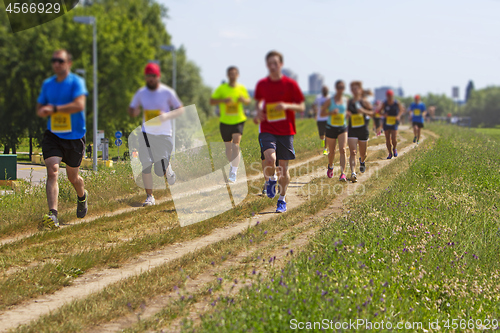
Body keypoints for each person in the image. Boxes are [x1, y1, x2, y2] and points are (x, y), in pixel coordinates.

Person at [36, 49, 89, 229]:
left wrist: (55, 109)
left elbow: (79, 104)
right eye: (54, 61)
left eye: (60, 60)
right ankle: (53, 215)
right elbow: (41, 105)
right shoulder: (48, 84)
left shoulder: (76, 82)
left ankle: (82, 197)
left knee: (73, 178)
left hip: (75, 137)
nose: (57, 64)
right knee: (52, 171)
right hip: (54, 135)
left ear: (69, 63)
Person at [254, 50, 305, 213]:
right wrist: (258, 113)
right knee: (270, 159)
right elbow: (258, 105)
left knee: (284, 169)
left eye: (275, 63)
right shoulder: (262, 84)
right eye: (270, 63)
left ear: (281, 64)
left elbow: (301, 106)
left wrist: (286, 106)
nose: (272, 66)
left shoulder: (290, 85)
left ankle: (282, 200)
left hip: (286, 131)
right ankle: (271, 180)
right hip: (267, 128)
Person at [128, 63, 183, 206]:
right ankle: (150, 197)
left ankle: (168, 169)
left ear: (158, 77)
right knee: (145, 164)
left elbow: (180, 109)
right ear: (145, 77)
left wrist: (165, 115)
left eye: (153, 76)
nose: (150, 79)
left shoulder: (167, 92)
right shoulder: (141, 93)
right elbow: (132, 109)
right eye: (148, 76)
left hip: (163, 135)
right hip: (146, 134)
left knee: (160, 170)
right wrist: (134, 112)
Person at [210, 66, 251, 182]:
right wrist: (223, 101)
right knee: (228, 148)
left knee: (236, 145)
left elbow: (248, 101)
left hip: (238, 120)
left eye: (234, 74)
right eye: (230, 74)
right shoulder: (222, 88)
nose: (232, 76)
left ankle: (234, 171)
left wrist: (243, 100)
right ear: (228, 75)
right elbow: (212, 101)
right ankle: (232, 166)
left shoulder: (241, 88)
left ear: (237, 75)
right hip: (225, 121)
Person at [321, 80, 348, 181]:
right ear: (336, 88)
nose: (340, 89)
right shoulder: (330, 100)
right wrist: (331, 113)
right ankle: (330, 166)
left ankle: (343, 173)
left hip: (342, 127)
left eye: (342, 87)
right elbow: (322, 113)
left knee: (343, 150)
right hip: (331, 127)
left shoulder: (346, 100)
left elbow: (348, 112)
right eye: (339, 87)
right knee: (332, 152)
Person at [346, 81, 373, 183]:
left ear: (360, 90)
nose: (354, 90)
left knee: (363, 153)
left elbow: (372, 113)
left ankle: (362, 161)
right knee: (353, 152)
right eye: (352, 89)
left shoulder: (365, 102)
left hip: (363, 130)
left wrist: (364, 111)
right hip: (352, 129)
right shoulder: (349, 102)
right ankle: (353, 173)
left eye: (356, 88)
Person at [380, 90, 403, 159]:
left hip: (394, 121)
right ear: (386, 96)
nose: (389, 97)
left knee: (394, 138)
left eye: (390, 96)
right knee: (387, 138)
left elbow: (401, 110)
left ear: (392, 96)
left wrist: (398, 116)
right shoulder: (385, 103)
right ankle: (390, 153)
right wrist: (384, 114)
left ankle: (394, 149)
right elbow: (380, 111)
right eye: (388, 96)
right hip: (386, 122)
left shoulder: (396, 103)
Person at [313, 86, 330, 155]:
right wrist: (315, 112)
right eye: (324, 90)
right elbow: (313, 105)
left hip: (328, 118)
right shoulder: (318, 98)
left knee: (327, 134)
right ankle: (322, 140)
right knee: (321, 135)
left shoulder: (330, 98)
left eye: (326, 90)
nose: (325, 91)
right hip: (320, 118)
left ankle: (325, 149)